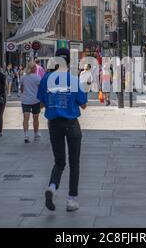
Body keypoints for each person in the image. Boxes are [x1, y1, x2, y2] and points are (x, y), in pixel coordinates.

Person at [38, 48, 88, 212]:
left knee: (59, 161)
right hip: (71, 123)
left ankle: (52, 187)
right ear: (68, 62)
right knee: (74, 162)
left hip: (54, 124)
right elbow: (83, 104)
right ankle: (71, 200)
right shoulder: (73, 79)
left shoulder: (46, 78)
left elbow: (42, 103)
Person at [20, 62, 42, 143]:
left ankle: (26, 135)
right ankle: (36, 134)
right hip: (35, 100)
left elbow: (21, 89)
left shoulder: (23, 78)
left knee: (26, 118)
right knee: (35, 118)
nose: (36, 69)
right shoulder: (37, 78)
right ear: (33, 69)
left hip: (25, 100)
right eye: (35, 68)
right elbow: (40, 89)